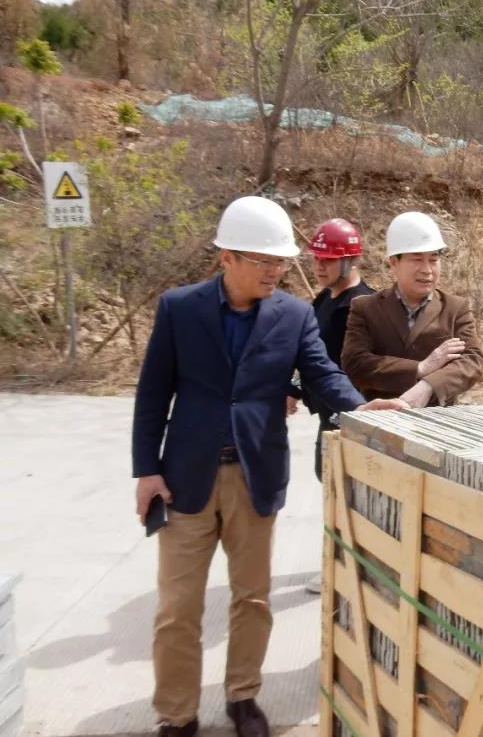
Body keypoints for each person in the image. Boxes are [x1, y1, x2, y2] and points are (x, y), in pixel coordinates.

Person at [132, 196, 403, 737]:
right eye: (264, 261)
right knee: (178, 608)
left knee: (252, 599)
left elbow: (322, 373)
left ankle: (243, 697)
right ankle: (177, 713)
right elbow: (153, 393)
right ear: (227, 257)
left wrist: (359, 407)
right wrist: (147, 469)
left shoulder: (294, 315)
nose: (276, 270)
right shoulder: (179, 309)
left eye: (281, 261)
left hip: (254, 476)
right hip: (185, 479)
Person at [340, 211, 483, 407]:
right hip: (381, 415)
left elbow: (472, 361)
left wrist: (429, 385)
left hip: (438, 418)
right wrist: (419, 368)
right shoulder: (366, 308)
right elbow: (355, 364)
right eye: (417, 259)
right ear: (394, 263)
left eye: (433, 259)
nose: (427, 270)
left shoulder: (455, 308)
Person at [294, 218, 375, 481]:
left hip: (352, 414)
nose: (319, 266)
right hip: (327, 414)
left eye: (328, 260)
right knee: (327, 479)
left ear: (351, 261)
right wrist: (294, 390)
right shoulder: (323, 300)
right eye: (316, 258)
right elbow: (312, 357)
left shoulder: (364, 305)